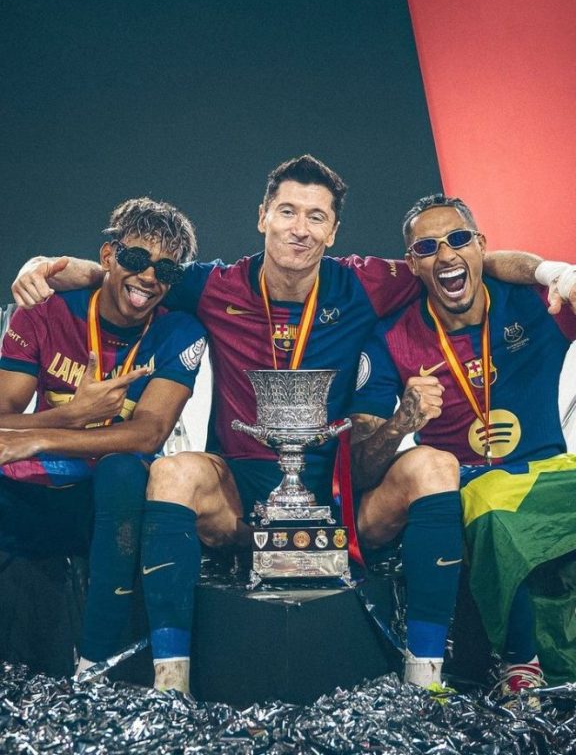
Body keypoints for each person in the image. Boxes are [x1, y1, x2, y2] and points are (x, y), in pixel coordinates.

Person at [10, 155, 558, 692]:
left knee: (433, 465)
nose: (300, 229)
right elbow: (128, 271)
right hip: (238, 491)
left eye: (316, 216)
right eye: (288, 212)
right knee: (172, 473)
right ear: (263, 217)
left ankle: (425, 679)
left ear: (333, 231)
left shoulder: (366, 282)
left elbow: (467, 260)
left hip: (336, 495)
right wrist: (49, 268)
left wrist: (551, 271)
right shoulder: (213, 284)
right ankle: (171, 685)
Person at [349, 193, 576, 701]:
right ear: (412, 264)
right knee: (486, 502)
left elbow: (543, 277)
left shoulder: (531, 303)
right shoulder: (391, 338)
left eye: (458, 239)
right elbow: (361, 466)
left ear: (480, 246)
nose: (446, 255)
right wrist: (402, 421)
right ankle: (520, 665)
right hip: (466, 484)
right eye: (427, 247)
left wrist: (558, 273)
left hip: (547, 474)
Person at [0, 197, 206, 675]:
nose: (149, 277)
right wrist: (74, 415)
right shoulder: (46, 311)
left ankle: (94, 665)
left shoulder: (180, 330)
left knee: (122, 471)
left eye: (166, 270)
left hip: (112, 498)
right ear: (109, 255)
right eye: (136, 259)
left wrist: (44, 437)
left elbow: (149, 433)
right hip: (44, 487)